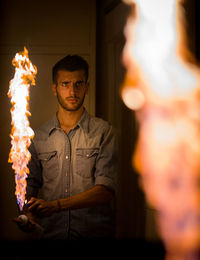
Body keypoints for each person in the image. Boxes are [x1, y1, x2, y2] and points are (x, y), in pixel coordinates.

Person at [14, 54, 118, 240]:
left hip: (93, 237)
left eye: (78, 84)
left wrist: (56, 205)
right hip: (52, 237)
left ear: (86, 86)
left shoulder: (104, 132)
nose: (72, 91)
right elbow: (29, 186)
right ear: (54, 88)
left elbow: (105, 190)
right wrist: (28, 215)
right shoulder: (38, 137)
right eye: (65, 84)